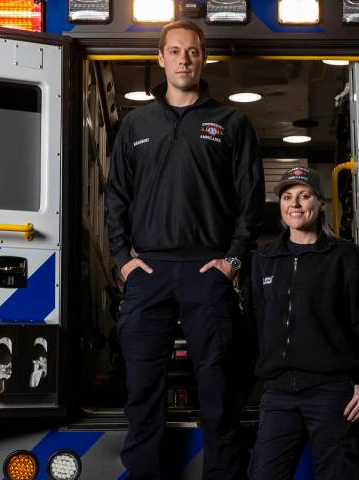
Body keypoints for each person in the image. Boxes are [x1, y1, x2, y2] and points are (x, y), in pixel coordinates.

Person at [105, 20, 264, 480]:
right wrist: (122, 261)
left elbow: (250, 201)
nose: (183, 59)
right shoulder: (136, 124)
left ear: (203, 57)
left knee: (217, 389)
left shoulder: (231, 122)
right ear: (160, 58)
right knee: (142, 391)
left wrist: (232, 261)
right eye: (174, 51)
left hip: (207, 270)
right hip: (147, 272)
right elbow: (115, 196)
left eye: (192, 51)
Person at [246, 167, 359, 479]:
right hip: (278, 393)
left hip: (331, 392)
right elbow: (253, 325)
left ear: (321, 203)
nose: (295, 204)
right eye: (287, 197)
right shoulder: (264, 261)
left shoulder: (345, 257)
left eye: (304, 195)